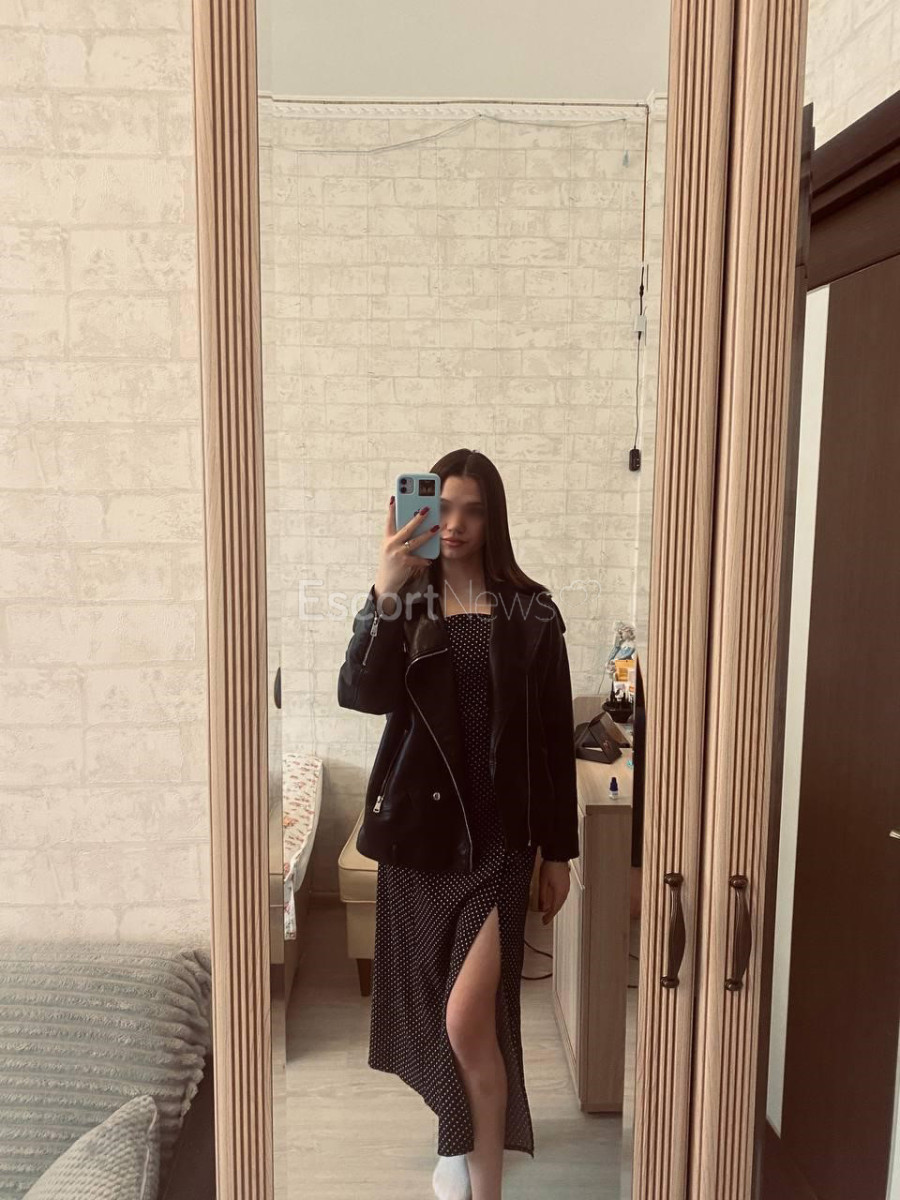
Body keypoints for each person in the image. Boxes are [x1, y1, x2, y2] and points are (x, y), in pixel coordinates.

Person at [337, 448, 579, 1200]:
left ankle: (485, 1185)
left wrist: (559, 853)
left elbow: (553, 741)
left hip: (500, 841)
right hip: (421, 837)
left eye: (473, 509)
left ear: (493, 517)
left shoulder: (532, 612)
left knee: (471, 1017)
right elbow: (362, 694)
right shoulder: (406, 601)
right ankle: (457, 1137)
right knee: (435, 1011)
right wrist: (385, 590)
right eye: (443, 507)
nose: (456, 523)